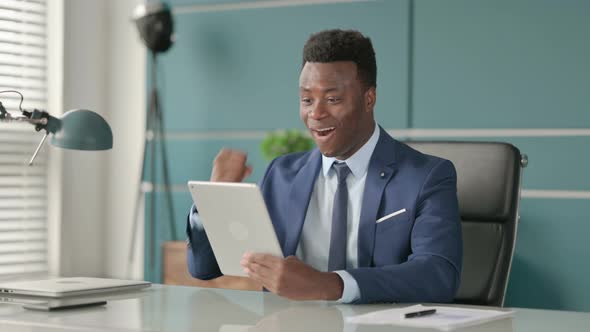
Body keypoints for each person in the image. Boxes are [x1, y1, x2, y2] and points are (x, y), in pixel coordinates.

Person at [186, 29, 462, 304]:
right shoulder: (282, 174)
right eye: (307, 100)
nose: (316, 114)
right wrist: (212, 200)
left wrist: (330, 285)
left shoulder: (427, 176)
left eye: (333, 99)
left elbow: (438, 274)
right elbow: (203, 269)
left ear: (369, 99)